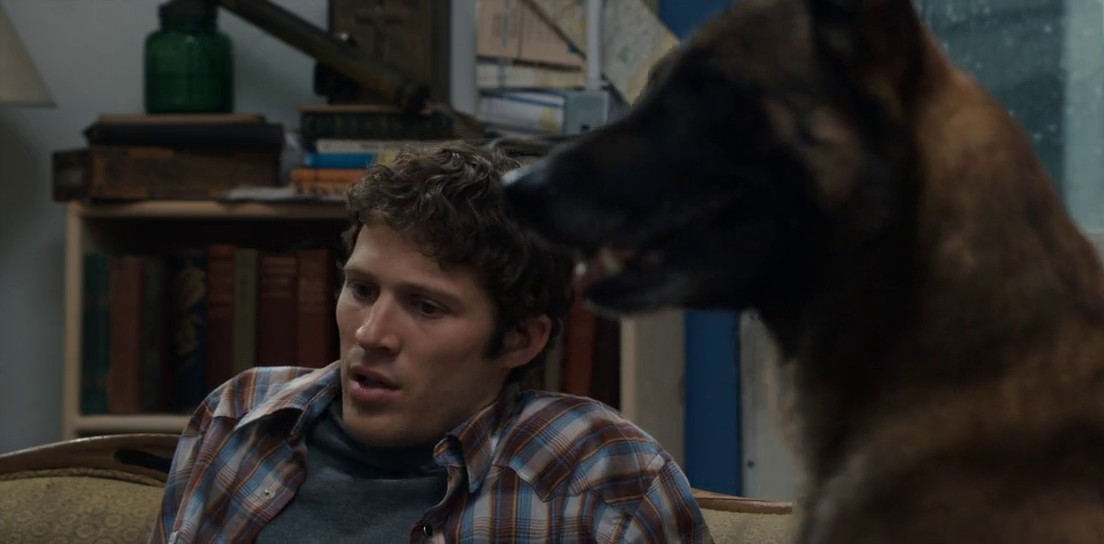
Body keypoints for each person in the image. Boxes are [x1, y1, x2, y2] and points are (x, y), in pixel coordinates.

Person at [151, 141, 712, 543]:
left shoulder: (602, 477)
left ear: (520, 339)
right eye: (362, 289)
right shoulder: (237, 418)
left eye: (426, 307)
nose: (371, 334)